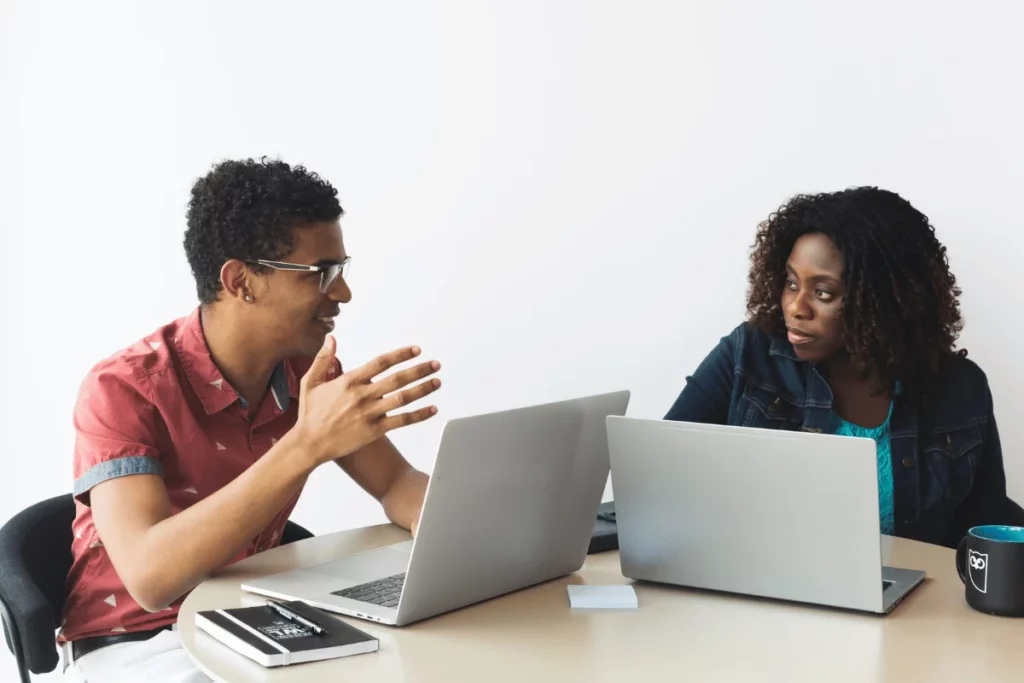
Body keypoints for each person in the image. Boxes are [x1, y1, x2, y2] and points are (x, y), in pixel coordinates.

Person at [59, 158, 441, 682]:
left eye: (342, 270)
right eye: (321, 274)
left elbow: (397, 482)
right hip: (137, 645)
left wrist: (475, 534)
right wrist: (305, 445)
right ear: (242, 281)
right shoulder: (124, 389)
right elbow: (150, 578)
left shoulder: (308, 373)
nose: (344, 293)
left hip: (257, 618)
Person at [665, 186, 1010, 548]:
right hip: (758, 590)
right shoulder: (748, 355)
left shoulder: (960, 388)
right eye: (791, 283)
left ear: (883, 302)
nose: (796, 307)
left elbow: (990, 536)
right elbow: (661, 471)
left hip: (913, 599)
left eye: (823, 292)